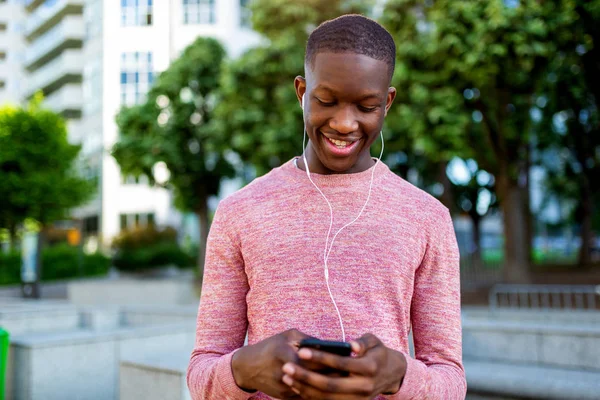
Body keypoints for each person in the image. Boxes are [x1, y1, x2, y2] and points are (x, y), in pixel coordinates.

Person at [187, 14, 466, 400]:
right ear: (302, 91)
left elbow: (450, 378)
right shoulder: (240, 211)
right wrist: (244, 369)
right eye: (326, 100)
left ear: (387, 102)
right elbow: (202, 371)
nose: (344, 123)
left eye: (366, 106)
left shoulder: (427, 217)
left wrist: (400, 375)